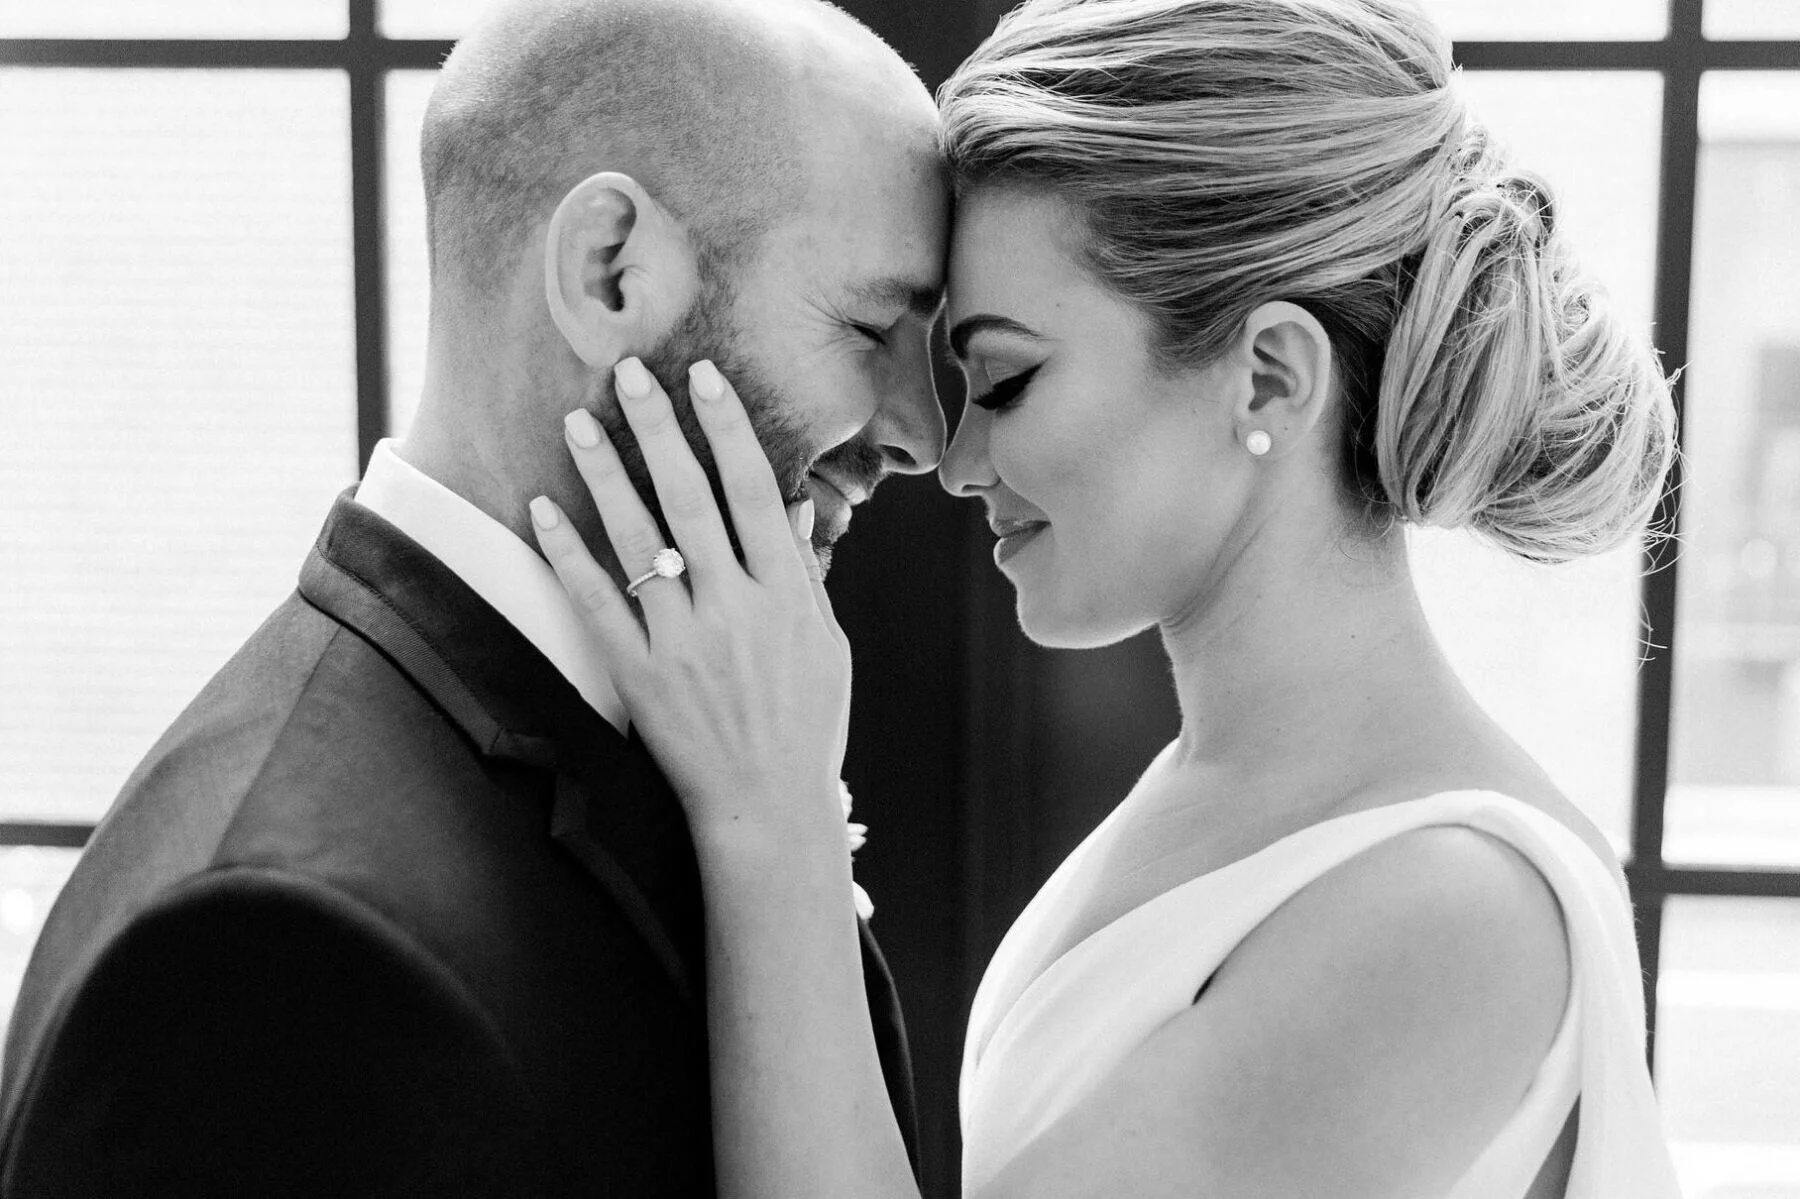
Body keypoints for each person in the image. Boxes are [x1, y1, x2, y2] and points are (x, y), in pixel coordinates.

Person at [529, 0, 1689, 1196]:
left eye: (1008, 379)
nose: (958, 462)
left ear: (1271, 375)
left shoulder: (1451, 914)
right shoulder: (1216, 788)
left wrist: (768, 812)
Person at [0, 0, 946, 1193]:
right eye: (871, 324)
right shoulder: (269, 957)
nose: (922, 433)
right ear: (610, 272)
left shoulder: (716, 740)